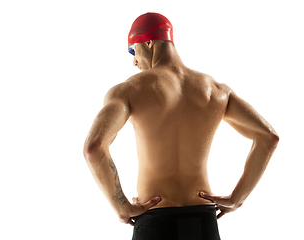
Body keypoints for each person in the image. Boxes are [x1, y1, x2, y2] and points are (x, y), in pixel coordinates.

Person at [83, 12, 279, 240]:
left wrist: (121, 206)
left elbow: (93, 147)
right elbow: (268, 137)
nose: (133, 61)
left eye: (132, 50)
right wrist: (237, 199)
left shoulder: (130, 90)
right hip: (202, 220)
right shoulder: (215, 90)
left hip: (155, 221)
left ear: (148, 42)